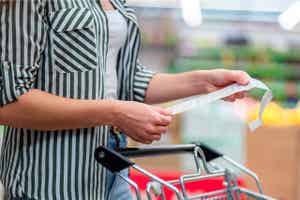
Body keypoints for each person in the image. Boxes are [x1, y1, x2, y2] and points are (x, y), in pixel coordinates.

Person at [0, 0, 250, 199]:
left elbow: (128, 80)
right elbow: (8, 101)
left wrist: (202, 82)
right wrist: (115, 113)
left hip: (114, 169)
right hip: (53, 180)